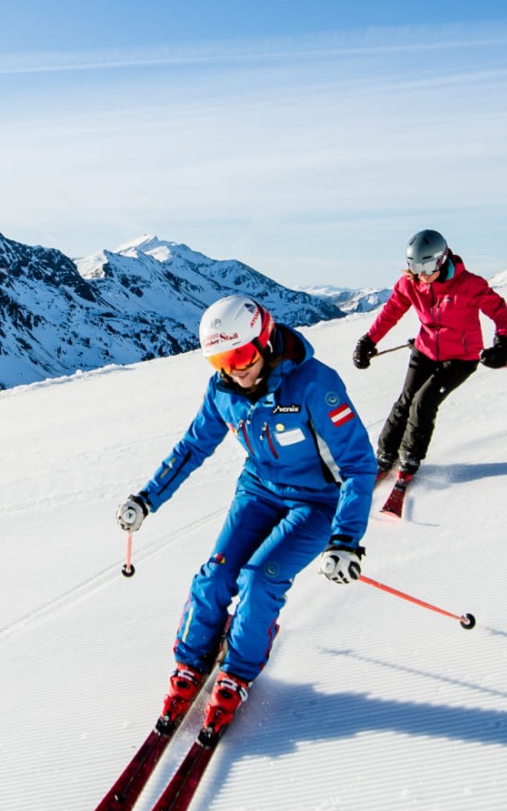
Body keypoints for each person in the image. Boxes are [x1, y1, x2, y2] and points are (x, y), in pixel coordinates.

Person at [115, 294, 377, 739]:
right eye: (219, 359)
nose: (233, 368)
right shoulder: (223, 391)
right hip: (258, 491)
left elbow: (358, 464)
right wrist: (147, 498)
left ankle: (236, 673)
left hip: (315, 503)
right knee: (214, 577)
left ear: (265, 340)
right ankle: (189, 664)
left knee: (260, 579)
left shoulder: (315, 385)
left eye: (238, 354)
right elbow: (193, 447)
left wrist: (345, 539)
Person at [352, 229, 507, 488]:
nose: (422, 274)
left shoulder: (470, 285)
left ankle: (410, 458)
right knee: (406, 400)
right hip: (425, 350)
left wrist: (502, 344)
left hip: (461, 357)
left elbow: (501, 313)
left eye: (427, 266)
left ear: (442, 259)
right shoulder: (411, 283)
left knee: (424, 401)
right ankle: (385, 455)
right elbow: (391, 311)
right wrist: (369, 341)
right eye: (415, 267)